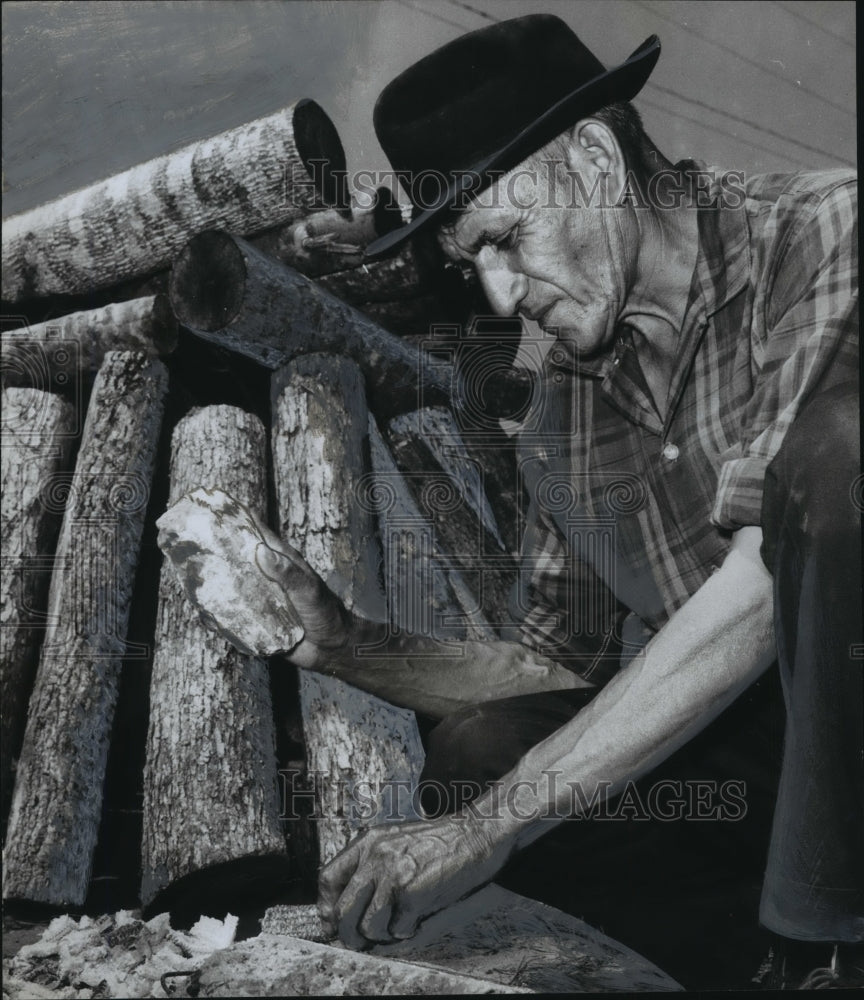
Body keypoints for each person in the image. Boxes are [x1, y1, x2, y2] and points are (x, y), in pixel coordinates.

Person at [258, 14, 861, 988]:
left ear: (593, 159)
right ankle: (750, 967)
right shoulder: (563, 419)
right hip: (767, 776)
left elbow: (773, 570)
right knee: (482, 747)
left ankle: (825, 946)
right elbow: (540, 665)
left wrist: (487, 832)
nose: (501, 300)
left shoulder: (824, 232)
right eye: (472, 269)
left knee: (839, 456)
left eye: (505, 241)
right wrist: (342, 642)